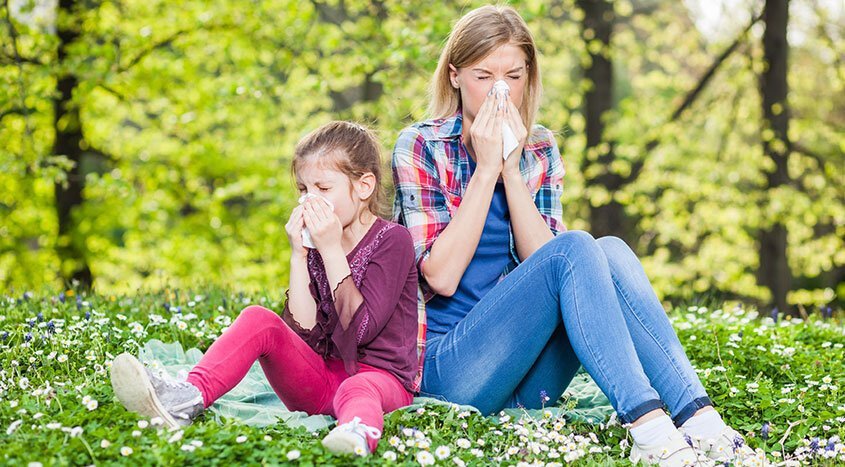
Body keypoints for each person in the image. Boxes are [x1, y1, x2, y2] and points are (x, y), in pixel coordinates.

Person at [392, 5, 751, 466]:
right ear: (456, 76)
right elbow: (439, 277)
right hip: (453, 372)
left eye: (513, 76)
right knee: (580, 246)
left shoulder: (539, 147)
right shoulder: (422, 145)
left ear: (529, 77)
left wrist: (511, 169)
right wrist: (485, 170)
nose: (500, 91)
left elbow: (558, 267)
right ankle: (648, 426)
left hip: (526, 379)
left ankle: (701, 421)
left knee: (610, 251)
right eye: (483, 76)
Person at [111, 121, 421, 456]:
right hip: (321, 384)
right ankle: (186, 399)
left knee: (359, 387)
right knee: (259, 318)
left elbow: (360, 330)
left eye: (323, 188)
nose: (310, 200)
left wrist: (331, 249)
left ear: (364, 187)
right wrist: (299, 255)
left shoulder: (392, 240)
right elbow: (302, 336)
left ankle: (356, 434)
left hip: (381, 382)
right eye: (303, 190)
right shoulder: (317, 246)